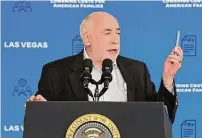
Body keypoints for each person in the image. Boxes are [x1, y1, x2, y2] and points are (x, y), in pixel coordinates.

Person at [27, 11, 183, 123]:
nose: (115, 40)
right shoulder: (55, 72)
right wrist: (39, 109)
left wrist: (168, 78)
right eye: (107, 33)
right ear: (87, 39)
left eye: (118, 33)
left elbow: (162, 117)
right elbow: (42, 122)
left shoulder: (137, 70)